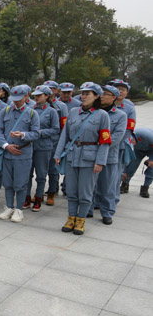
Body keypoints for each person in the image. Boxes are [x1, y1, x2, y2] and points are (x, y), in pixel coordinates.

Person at [55, 82, 111, 235]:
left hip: (90, 158)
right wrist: (58, 154)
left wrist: (100, 161)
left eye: (88, 93)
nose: (84, 96)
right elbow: (64, 134)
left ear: (96, 96)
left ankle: (81, 220)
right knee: (72, 191)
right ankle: (71, 218)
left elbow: (105, 141)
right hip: (72, 155)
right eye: (83, 93)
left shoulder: (102, 115)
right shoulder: (73, 111)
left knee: (85, 193)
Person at [0, 85, 40, 223]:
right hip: (8, 152)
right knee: (7, 182)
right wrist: (6, 146)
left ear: (26, 96)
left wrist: (23, 135)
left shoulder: (32, 113)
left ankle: (19, 209)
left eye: (19, 99)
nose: (16, 102)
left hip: (23, 153)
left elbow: (36, 133)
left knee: (20, 183)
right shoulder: (5, 111)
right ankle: (9, 207)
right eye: (14, 99)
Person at [88, 85, 127, 223]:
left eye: (106, 94)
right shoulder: (93, 111)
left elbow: (118, 136)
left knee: (108, 186)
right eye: (101, 93)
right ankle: (89, 208)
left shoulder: (121, 115)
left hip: (109, 156)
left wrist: (101, 145)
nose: (102, 96)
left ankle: (107, 212)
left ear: (113, 98)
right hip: (91, 154)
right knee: (90, 184)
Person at [25, 86, 60, 212]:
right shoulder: (29, 109)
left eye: (39, 95)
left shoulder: (52, 111)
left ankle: (38, 198)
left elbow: (56, 129)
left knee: (41, 174)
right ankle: (26, 197)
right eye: (35, 95)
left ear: (46, 96)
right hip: (29, 145)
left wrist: (39, 133)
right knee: (27, 173)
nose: (36, 97)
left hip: (43, 147)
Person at [44, 81, 69, 206]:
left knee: (53, 169)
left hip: (55, 141)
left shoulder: (61, 106)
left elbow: (64, 126)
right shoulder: (37, 105)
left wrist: (62, 143)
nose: (50, 91)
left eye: (52, 88)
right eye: (47, 88)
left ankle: (51, 192)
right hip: (41, 142)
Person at [123, 127, 153, 199]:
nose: (132, 144)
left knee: (151, 168)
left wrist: (152, 160)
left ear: (134, 137)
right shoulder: (127, 138)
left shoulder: (147, 135)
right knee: (132, 165)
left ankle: (145, 187)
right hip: (138, 150)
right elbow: (125, 157)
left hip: (151, 150)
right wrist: (123, 171)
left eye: (132, 142)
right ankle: (125, 184)